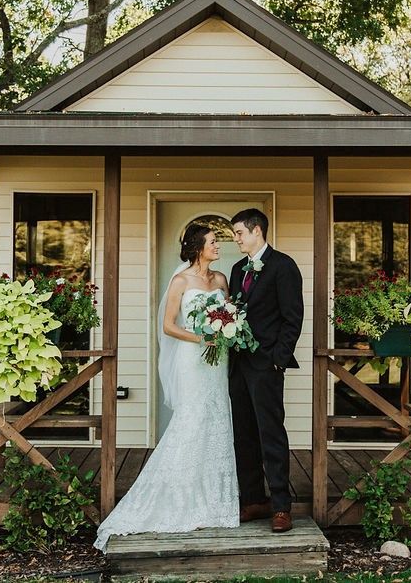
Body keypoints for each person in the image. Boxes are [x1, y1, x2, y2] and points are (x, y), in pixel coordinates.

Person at [94, 224, 239, 552]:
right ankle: (178, 498)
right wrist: (201, 336)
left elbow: (228, 313)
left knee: (216, 420)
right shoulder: (180, 281)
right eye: (214, 242)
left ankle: (215, 504)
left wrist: (227, 327)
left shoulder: (219, 280)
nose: (219, 246)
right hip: (193, 359)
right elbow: (168, 325)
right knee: (192, 420)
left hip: (218, 360)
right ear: (199, 246)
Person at [228, 208, 304, 533]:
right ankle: (253, 499)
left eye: (239, 233)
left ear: (256, 230)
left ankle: (281, 506)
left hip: (266, 365)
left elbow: (293, 317)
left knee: (270, 433)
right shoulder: (236, 269)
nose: (236, 239)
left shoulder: (283, 266)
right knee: (243, 434)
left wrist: (278, 358)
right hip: (238, 366)